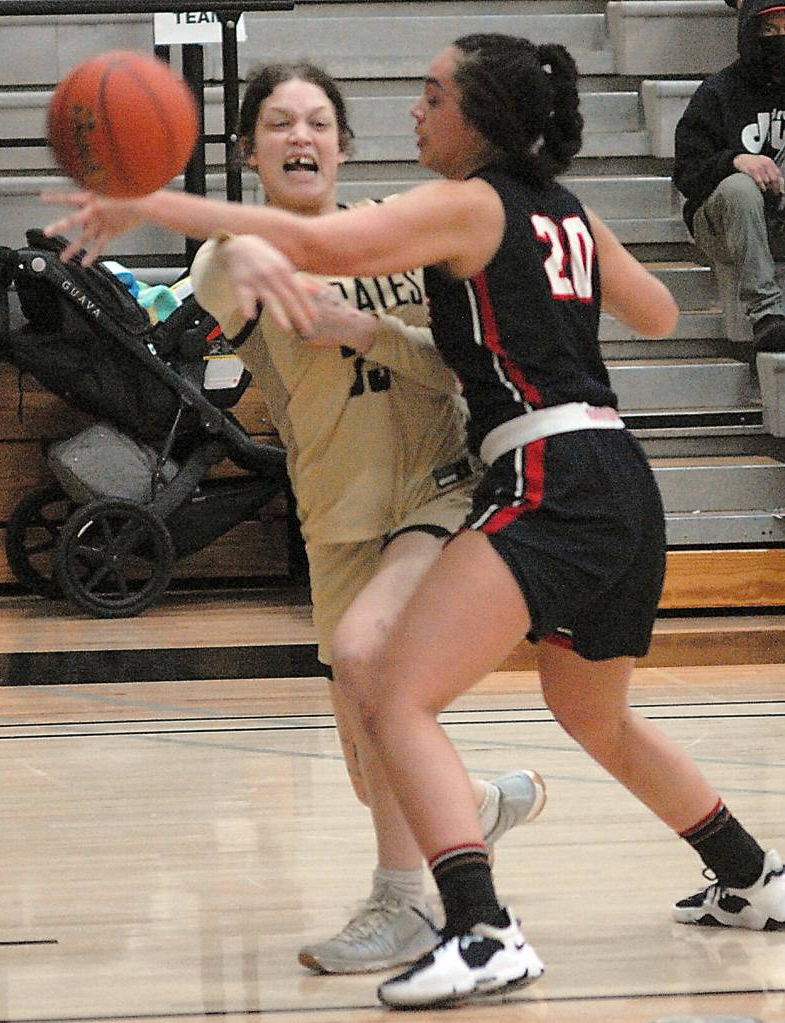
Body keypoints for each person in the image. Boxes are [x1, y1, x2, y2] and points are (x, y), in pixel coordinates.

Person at [44, 31, 785, 1011]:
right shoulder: (563, 210)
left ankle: (481, 932)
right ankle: (749, 874)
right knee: (592, 712)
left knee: (392, 692)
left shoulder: (468, 201)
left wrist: (147, 199)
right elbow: (651, 313)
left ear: (478, 118)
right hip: (620, 472)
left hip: (547, 472)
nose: (415, 110)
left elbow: (314, 242)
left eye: (432, 96)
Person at [100, 60, 549, 976]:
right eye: (277, 124)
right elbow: (200, 312)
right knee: (369, 755)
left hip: (440, 485)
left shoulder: (402, 239)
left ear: (343, 144)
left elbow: (460, 368)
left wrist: (367, 330)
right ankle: (468, 812)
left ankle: (412, 907)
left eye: (316, 122)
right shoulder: (233, 259)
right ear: (249, 151)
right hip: (336, 508)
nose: (300, 137)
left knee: (366, 655)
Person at [674, 0, 785, 354]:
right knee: (740, 188)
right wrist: (735, 160)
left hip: (778, 220)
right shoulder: (718, 91)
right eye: (769, 29)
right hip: (724, 223)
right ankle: (767, 314)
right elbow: (687, 174)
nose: (779, 38)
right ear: (750, 32)